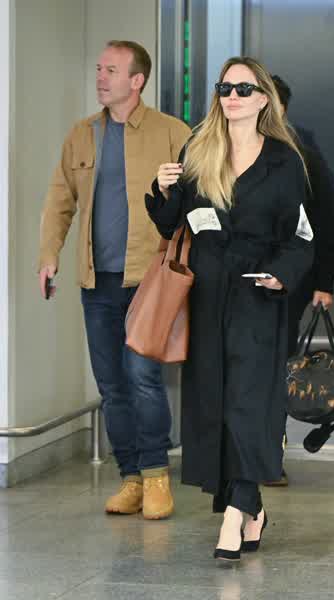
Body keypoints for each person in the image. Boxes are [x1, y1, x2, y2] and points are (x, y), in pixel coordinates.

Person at [145, 56, 314, 561]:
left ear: (263, 99)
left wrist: (281, 273)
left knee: (248, 404)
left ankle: (234, 517)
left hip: (258, 296)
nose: (232, 97)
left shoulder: (285, 161)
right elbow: (172, 223)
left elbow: (302, 234)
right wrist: (165, 189)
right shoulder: (198, 150)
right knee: (216, 404)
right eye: (225, 88)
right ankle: (250, 505)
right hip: (206, 295)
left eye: (243, 89)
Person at [38, 40, 191, 519]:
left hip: (150, 279)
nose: (100, 77)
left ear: (137, 80)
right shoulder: (82, 134)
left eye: (111, 70)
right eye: (99, 69)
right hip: (97, 281)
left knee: (143, 377)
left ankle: (156, 475)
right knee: (111, 386)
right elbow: (60, 200)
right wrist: (49, 255)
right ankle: (131, 478)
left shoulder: (173, 132)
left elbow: (197, 200)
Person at [264, 75, 334, 486]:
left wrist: (325, 280)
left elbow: (327, 218)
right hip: (235, 279)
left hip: (289, 282)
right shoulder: (226, 151)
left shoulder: (304, 155)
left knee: (277, 364)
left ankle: (268, 453)